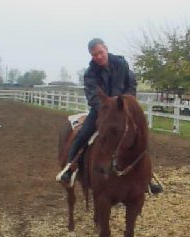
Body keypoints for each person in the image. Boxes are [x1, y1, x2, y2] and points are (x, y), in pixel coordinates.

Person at [56, 38, 163, 194]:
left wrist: (128, 102)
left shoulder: (121, 64)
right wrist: (106, 108)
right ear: (91, 56)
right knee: (84, 133)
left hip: (123, 107)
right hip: (102, 109)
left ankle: (147, 176)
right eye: (94, 55)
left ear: (106, 49)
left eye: (100, 52)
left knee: (140, 135)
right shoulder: (90, 73)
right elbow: (92, 96)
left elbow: (131, 84)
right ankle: (70, 168)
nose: (98, 56)